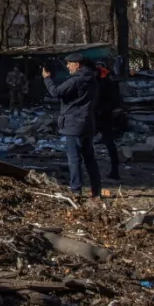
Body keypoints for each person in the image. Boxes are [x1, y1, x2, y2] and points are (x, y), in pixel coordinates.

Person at [42, 53, 101, 198]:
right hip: (88, 123)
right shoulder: (92, 79)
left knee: (74, 159)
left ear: (77, 64)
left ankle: (76, 190)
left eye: (69, 63)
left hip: (73, 123)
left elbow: (56, 92)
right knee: (89, 158)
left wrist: (47, 79)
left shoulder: (75, 80)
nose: (68, 66)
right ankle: (96, 190)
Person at [94, 61, 122, 181]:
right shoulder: (104, 81)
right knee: (108, 143)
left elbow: (114, 101)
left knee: (108, 143)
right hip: (100, 115)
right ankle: (114, 172)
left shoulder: (106, 82)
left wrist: (102, 110)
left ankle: (114, 172)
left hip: (101, 116)